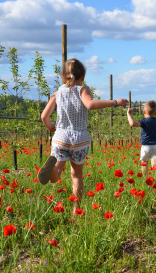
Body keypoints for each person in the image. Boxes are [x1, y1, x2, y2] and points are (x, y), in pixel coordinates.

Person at [39, 58, 128, 212]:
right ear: (83, 76)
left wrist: (51, 126)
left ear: (62, 77)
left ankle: (53, 171)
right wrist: (115, 102)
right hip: (79, 139)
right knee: (76, 175)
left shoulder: (57, 92)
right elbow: (90, 104)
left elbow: (44, 116)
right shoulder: (83, 89)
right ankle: (76, 210)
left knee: (58, 170)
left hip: (60, 137)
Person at [127, 101, 156, 174]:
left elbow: (132, 123)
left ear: (144, 111)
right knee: (154, 156)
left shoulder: (144, 121)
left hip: (146, 146)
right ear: (155, 113)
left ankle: (144, 176)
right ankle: (155, 161)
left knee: (144, 162)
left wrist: (129, 114)